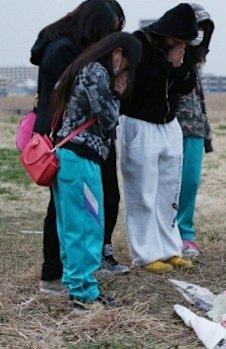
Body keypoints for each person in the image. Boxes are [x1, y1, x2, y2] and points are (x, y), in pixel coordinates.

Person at [30, 0, 129, 297]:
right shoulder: (67, 52)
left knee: (72, 212)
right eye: (108, 32)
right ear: (94, 27)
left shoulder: (64, 46)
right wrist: (114, 86)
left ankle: (70, 276)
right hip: (72, 141)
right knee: (75, 215)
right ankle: (60, 277)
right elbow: (96, 106)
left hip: (69, 139)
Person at [50, 32, 142, 310]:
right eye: (126, 65)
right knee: (88, 226)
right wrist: (118, 92)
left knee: (71, 226)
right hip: (81, 160)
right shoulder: (96, 72)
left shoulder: (81, 67)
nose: (125, 72)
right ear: (117, 53)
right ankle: (84, 293)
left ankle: (76, 285)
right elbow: (108, 118)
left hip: (69, 158)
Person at [120, 3, 197, 273]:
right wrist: (169, 64)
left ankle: (169, 248)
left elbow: (188, 84)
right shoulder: (137, 43)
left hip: (169, 125)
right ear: (167, 31)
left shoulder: (179, 49)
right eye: (178, 40)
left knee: (168, 192)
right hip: (140, 124)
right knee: (142, 191)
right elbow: (139, 85)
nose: (181, 45)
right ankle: (145, 253)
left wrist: (178, 64)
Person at [176, 3, 215, 258]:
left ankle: (185, 232)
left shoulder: (196, 64)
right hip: (171, 127)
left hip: (195, 129)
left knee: (190, 181)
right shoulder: (170, 59)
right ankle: (169, 232)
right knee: (171, 183)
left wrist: (207, 134)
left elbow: (200, 101)